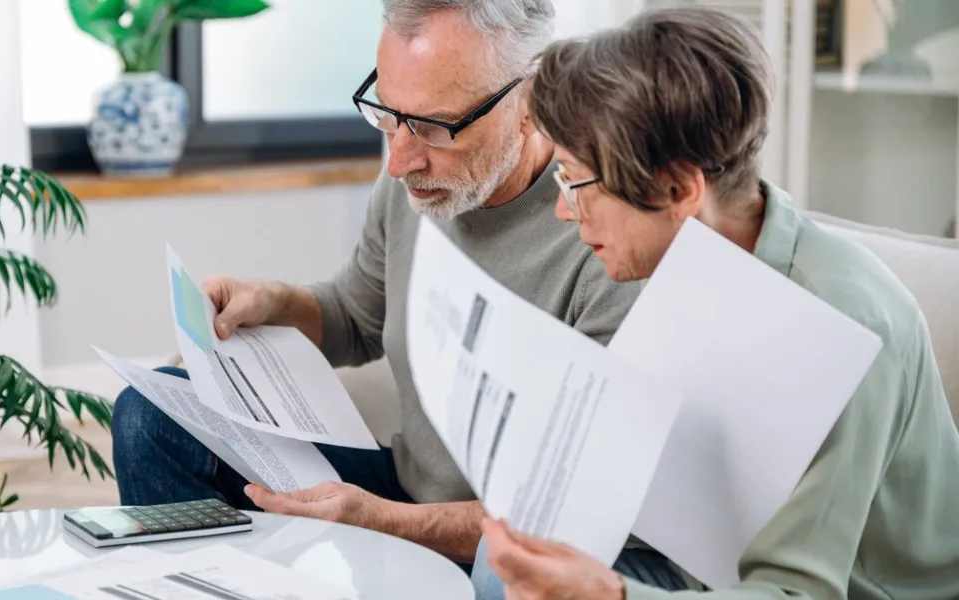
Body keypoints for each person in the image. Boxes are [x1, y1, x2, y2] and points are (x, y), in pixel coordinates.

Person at [110, 0, 689, 589]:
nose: (399, 161)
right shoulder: (421, 181)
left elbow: (591, 513)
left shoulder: (614, 233)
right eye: (388, 114)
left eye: (435, 126)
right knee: (148, 414)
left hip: (516, 535)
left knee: (500, 567)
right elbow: (357, 314)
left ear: (530, 101)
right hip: (403, 490)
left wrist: (384, 522)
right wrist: (272, 300)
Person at [478, 6, 959, 600]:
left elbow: (795, 591)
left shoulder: (836, 325)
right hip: (705, 564)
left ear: (679, 190)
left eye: (576, 181)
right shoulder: (695, 255)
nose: (563, 210)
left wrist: (607, 595)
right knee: (500, 563)